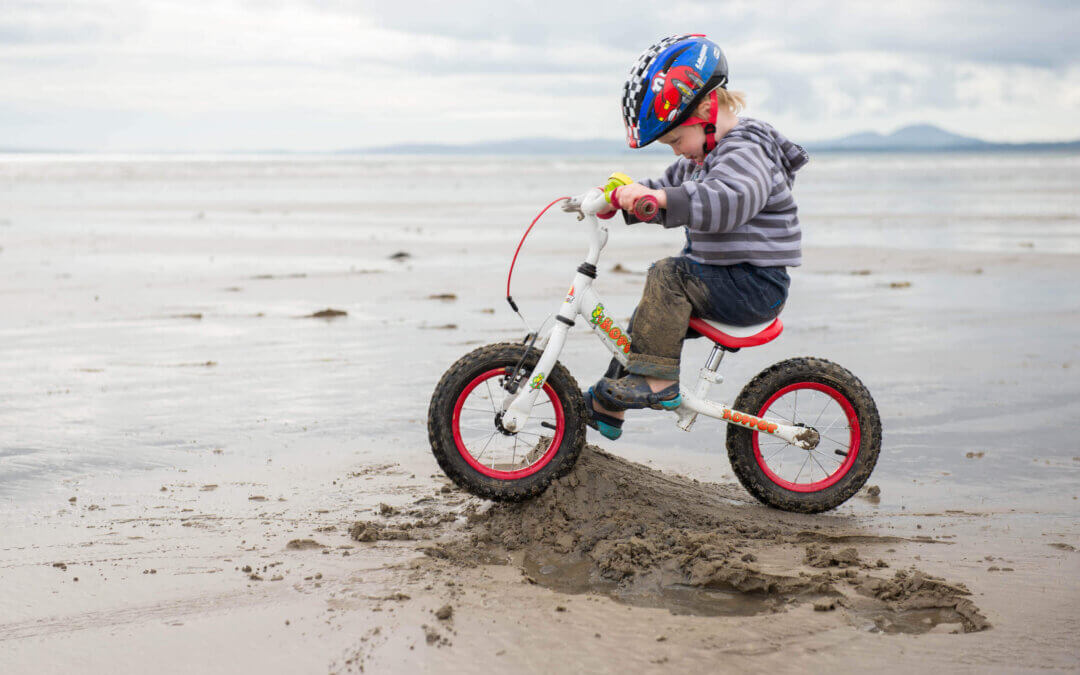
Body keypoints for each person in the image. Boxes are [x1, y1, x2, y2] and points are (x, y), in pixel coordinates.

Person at [586, 34, 809, 440]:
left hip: (755, 285)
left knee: (668, 275)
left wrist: (656, 198)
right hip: (723, 279)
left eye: (674, 140)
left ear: (707, 108)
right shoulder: (702, 156)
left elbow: (727, 201)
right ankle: (608, 406)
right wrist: (624, 199)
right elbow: (668, 188)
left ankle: (657, 384)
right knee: (647, 320)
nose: (675, 152)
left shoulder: (746, 152)